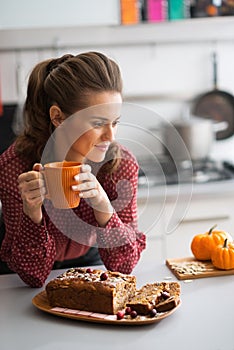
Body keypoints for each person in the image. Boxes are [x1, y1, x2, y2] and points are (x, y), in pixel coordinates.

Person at [0, 51, 146, 287]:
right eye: (98, 123)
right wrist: (32, 214)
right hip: (19, 271)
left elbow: (124, 267)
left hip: (87, 258)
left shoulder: (120, 165)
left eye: (115, 122)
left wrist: (103, 207)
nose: (110, 136)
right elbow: (33, 276)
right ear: (58, 117)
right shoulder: (15, 167)